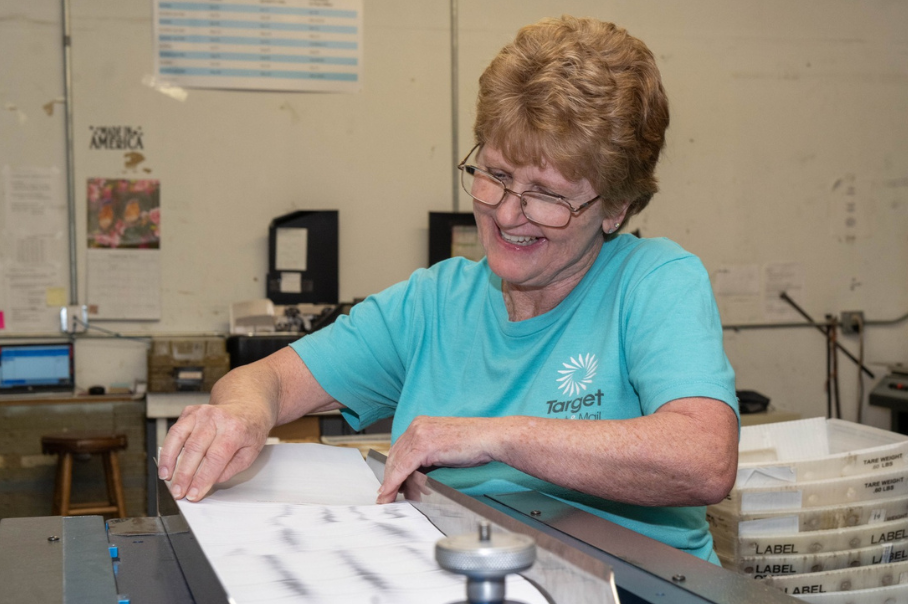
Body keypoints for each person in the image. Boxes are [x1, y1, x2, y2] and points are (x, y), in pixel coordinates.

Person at [159, 15, 740, 563]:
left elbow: (704, 459)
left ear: (616, 207)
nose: (510, 214)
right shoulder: (436, 302)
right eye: (496, 175)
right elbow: (267, 379)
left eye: (548, 195)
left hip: (636, 602)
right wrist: (241, 415)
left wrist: (497, 438)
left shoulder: (654, 281)